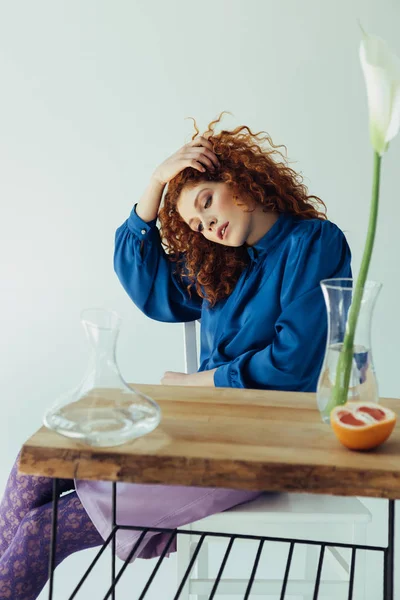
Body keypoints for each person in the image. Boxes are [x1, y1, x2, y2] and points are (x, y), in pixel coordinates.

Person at [0, 115, 351, 599]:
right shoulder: (224, 266)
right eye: (196, 223)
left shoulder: (314, 242)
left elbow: (293, 365)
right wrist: (155, 184)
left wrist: (193, 385)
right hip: (199, 429)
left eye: (207, 202)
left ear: (239, 178)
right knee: (31, 465)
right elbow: (146, 286)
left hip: (264, 445)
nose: (209, 226)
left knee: (44, 530)